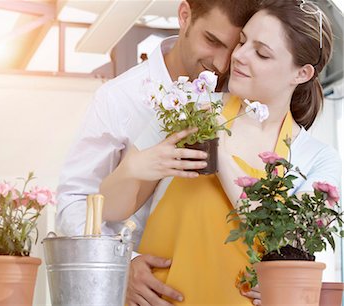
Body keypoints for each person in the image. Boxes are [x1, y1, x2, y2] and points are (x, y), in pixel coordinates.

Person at [103, 0, 341, 305]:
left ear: (302, 73)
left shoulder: (316, 159)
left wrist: (219, 151)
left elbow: (284, 254)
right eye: (242, 41)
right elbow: (108, 209)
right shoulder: (189, 108)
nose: (239, 56)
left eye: (262, 53)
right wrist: (132, 168)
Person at [56, 0, 260, 305]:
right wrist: (120, 265)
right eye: (211, 41)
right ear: (184, 15)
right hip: (147, 292)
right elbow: (73, 202)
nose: (220, 63)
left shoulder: (241, 99)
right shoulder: (120, 98)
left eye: (231, 50)